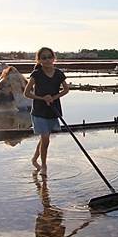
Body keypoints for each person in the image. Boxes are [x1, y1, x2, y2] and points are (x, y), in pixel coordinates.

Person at [24, 47, 69, 176]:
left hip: (52, 110)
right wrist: (42, 98)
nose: (47, 60)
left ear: (54, 58)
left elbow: (66, 90)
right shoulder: (36, 74)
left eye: (49, 57)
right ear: (39, 60)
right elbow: (26, 93)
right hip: (39, 110)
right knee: (45, 139)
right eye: (44, 58)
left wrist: (53, 98)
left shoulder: (59, 73)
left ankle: (34, 159)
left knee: (45, 138)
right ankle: (44, 166)